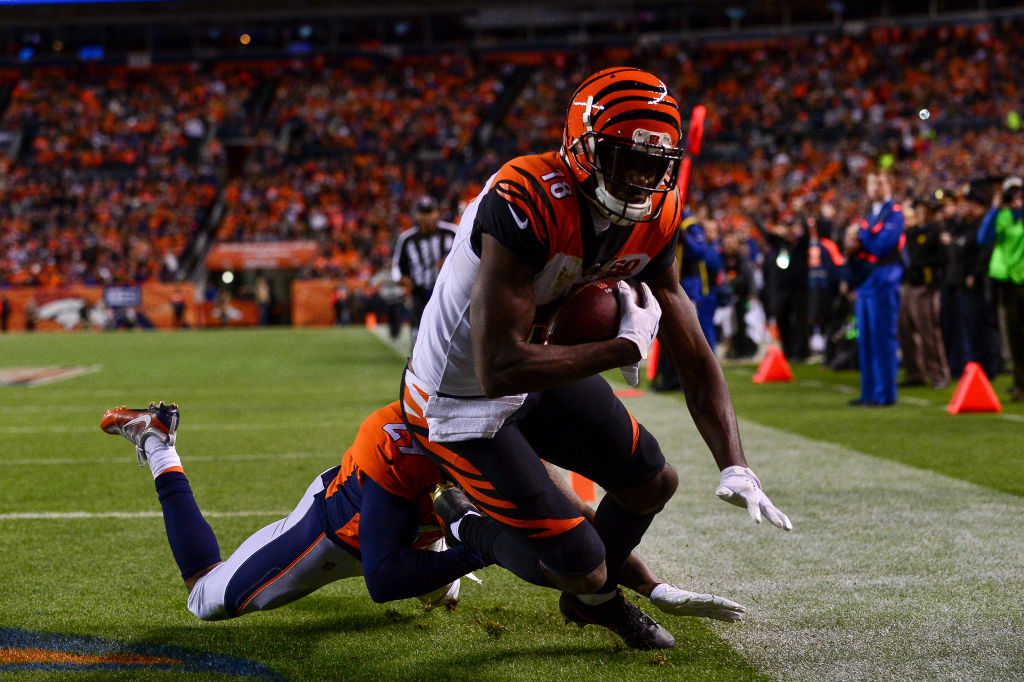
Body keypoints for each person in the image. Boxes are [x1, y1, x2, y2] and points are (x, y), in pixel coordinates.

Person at [400, 67, 791, 651]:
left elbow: (691, 349)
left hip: (537, 364)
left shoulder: (657, 214)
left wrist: (734, 463)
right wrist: (622, 347)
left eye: (652, 164)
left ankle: (591, 599)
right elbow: (499, 368)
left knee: (652, 481)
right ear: (582, 149)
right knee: (578, 562)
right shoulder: (525, 196)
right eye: (623, 158)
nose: (639, 179)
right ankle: (465, 523)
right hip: (458, 395)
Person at [98, 401, 746, 623]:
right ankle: (160, 441)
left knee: (536, 542)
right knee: (205, 597)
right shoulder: (403, 437)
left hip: (420, 513)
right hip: (342, 531)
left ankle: (447, 546)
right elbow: (380, 574)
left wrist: (653, 586)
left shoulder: (501, 429)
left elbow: (571, 525)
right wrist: (477, 545)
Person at [846, 170, 905, 406]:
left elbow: (882, 246)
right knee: (867, 339)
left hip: (885, 277)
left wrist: (863, 237)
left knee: (882, 338)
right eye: (872, 182)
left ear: (890, 184)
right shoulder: (872, 213)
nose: (875, 187)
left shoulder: (894, 213)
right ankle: (869, 392)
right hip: (869, 280)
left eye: (880, 182)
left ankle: (885, 394)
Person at [978, 176, 1024, 400]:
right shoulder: (1001, 215)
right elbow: (983, 238)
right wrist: (994, 209)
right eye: (1011, 192)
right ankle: (1020, 383)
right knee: (1014, 335)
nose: (1015, 196)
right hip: (1008, 282)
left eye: (1018, 191)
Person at [896, 197, 950, 389]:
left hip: (923, 287)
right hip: (905, 285)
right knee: (905, 331)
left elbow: (944, 258)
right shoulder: (910, 233)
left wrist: (932, 280)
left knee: (928, 332)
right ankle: (915, 373)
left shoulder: (936, 231)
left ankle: (939, 374)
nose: (920, 213)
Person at [392, 195, 456, 346]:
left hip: (448, 291)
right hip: (419, 292)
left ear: (437, 213)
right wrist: (401, 279)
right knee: (419, 330)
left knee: (450, 329)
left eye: (430, 213)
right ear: (416, 215)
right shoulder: (407, 238)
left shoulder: (452, 232)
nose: (427, 217)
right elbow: (397, 265)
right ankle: (419, 362)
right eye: (423, 213)